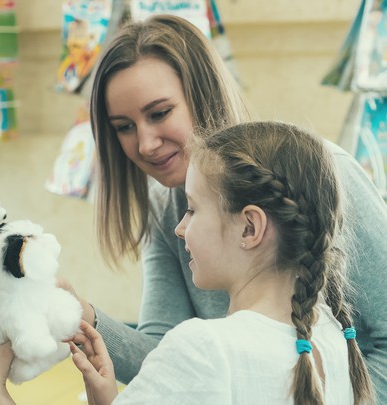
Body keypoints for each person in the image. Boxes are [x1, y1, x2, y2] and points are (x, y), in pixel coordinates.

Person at [60, 13, 387, 402]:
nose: (145, 144)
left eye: (160, 113)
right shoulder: (165, 209)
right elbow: (166, 358)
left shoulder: (325, 174)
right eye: (123, 126)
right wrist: (82, 315)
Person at [69, 121, 375, 404]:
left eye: (191, 209)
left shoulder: (204, 348)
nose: (179, 228)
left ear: (249, 228)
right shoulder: (334, 335)